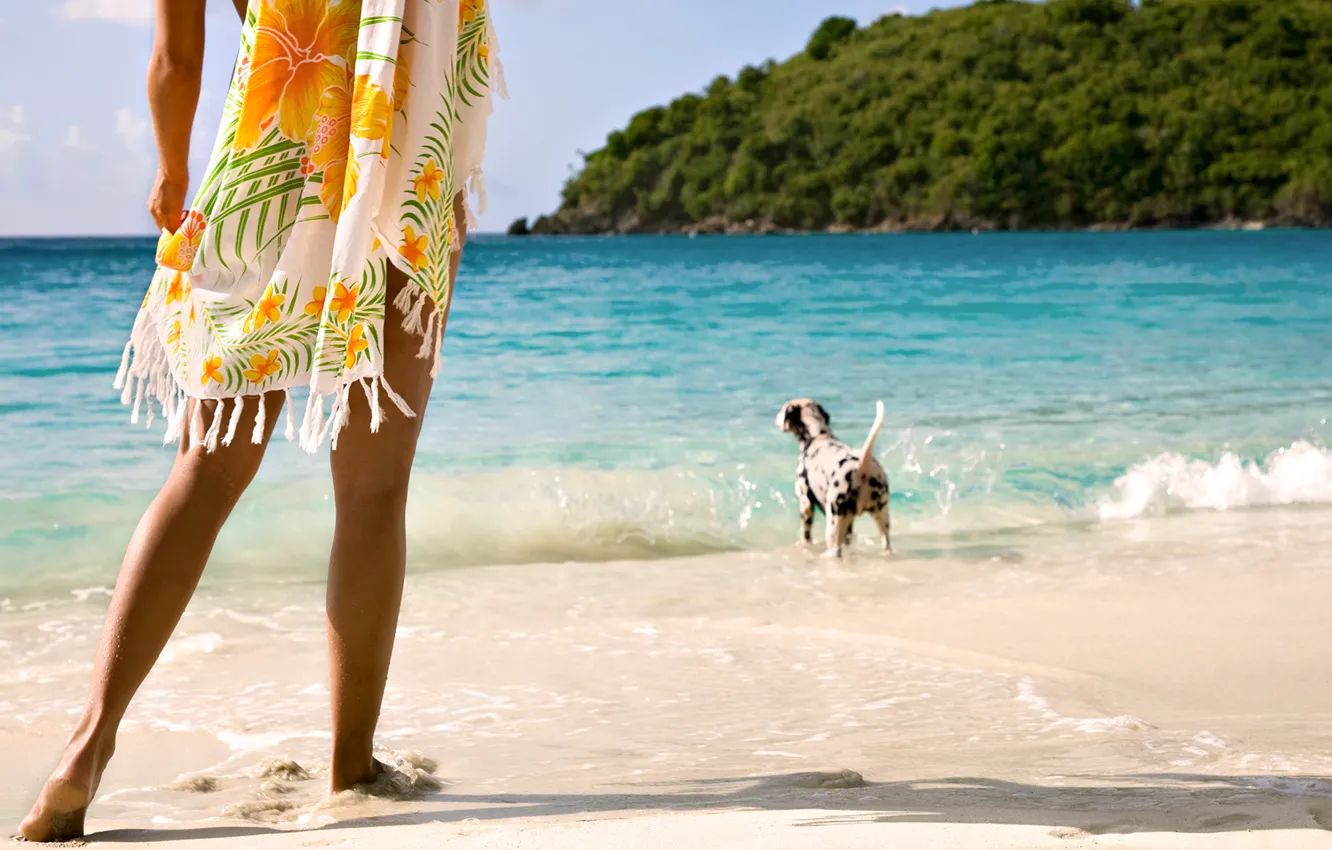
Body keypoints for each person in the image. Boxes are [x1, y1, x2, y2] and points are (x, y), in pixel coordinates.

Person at [20, 0, 500, 841]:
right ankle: (352, 764)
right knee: (373, 489)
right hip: (395, 170)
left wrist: (172, 174)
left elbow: (176, 64)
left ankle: (85, 750)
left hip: (267, 162)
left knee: (204, 471)